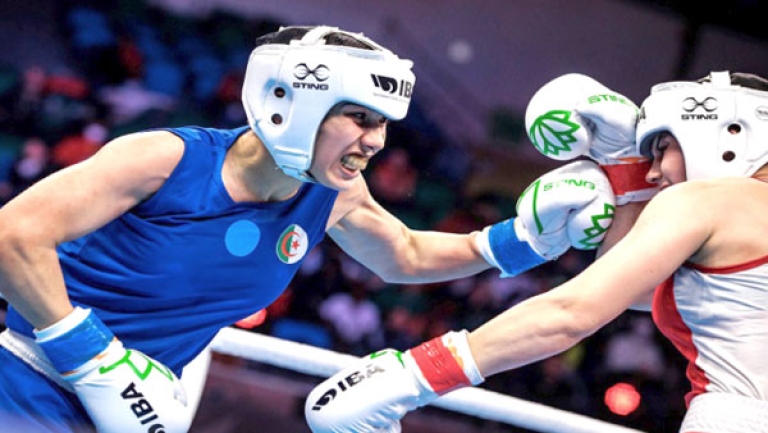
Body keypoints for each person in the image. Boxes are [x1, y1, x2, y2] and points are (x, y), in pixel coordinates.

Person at [0, 26, 616, 432]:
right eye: (360, 117)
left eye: (384, 123)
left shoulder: (332, 193)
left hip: (133, 408)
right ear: (292, 103)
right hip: (29, 381)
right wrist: (93, 359)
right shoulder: (163, 159)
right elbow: (12, 235)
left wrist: (527, 238)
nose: (376, 141)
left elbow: (405, 254)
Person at [304, 70, 768, 433]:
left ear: (731, 134)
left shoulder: (707, 200)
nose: (653, 172)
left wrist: (415, 375)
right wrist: (624, 178)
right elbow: (638, 291)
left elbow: (572, 312)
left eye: (663, 148)